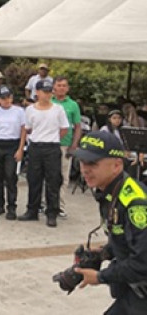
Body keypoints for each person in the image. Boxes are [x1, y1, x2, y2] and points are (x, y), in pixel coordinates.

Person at [72, 130, 147, 314]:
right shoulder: (110, 190)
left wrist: (99, 277)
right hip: (132, 292)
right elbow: (127, 236)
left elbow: (143, 261)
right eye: (82, 162)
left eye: (92, 163)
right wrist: (105, 252)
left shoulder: (135, 203)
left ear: (116, 165)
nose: (85, 169)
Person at [19, 79, 69, 227]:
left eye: (49, 92)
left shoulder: (58, 109)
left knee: (53, 181)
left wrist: (53, 139)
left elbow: (64, 128)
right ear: (37, 92)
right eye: (44, 92)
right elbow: (28, 128)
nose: (47, 95)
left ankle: (52, 212)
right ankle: (32, 210)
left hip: (52, 147)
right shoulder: (30, 110)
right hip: (35, 147)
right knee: (34, 179)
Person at [0, 86, 26, 220]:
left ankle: (12, 206)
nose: (6, 100)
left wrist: (20, 149)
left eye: (8, 97)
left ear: (12, 98)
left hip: (12, 145)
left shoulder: (19, 111)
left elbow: (23, 131)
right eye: (3, 98)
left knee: (10, 176)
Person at [52, 76, 83, 218]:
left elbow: (77, 126)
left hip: (65, 144)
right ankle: (46, 204)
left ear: (68, 88)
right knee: (48, 176)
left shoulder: (73, 105)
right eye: (59, 85)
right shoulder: (48, 102)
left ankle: (60, 206)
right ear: (54, 87)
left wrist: (74, 145)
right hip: (48, 144)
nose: (61, 88)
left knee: (63, 178)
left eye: (64, 85)